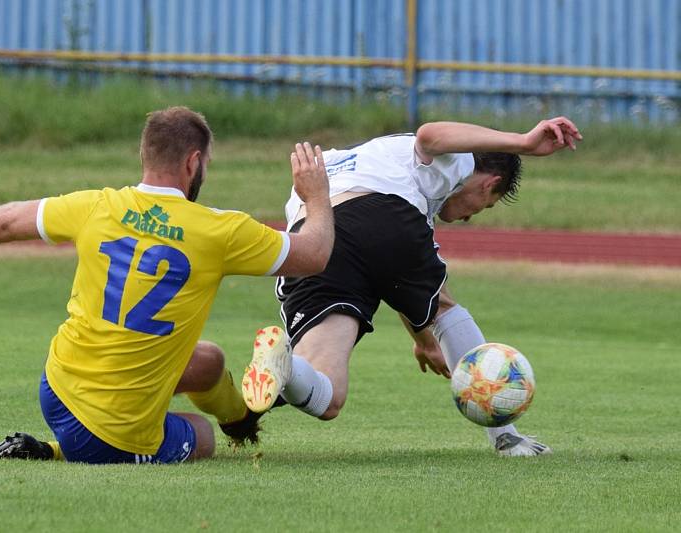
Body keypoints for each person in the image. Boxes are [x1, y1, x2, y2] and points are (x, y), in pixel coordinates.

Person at [0, 106, 335, 464]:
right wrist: (315, 194)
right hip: (113, 427)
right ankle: (53, 452)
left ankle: (243, 419)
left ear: (144, 155)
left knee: (207, 360)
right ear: (193, 163)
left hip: (55, 389)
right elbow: (315, 254)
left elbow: (3, 221)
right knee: (201, 436)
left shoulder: (97, 205)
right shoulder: (219, 231)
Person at [241, 117, 582, 457]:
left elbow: (389, 273)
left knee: (327, 393)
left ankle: (278, 371)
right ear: (489, 184)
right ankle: (505, 438)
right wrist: (523, 142)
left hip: (318, 239)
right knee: (446, 307)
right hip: (385, 214)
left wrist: (423, 341)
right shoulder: (461, 161)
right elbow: (429, 135)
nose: (469, 218)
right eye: (486, 206)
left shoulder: (345, 159)